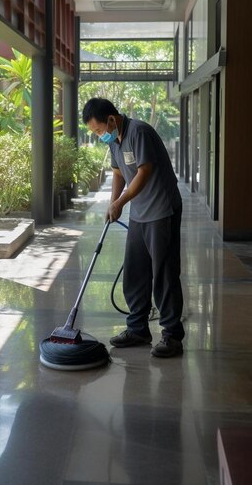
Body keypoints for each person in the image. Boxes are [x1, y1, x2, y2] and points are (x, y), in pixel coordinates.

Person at [82, 97, 185, 358]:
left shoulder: (139, 131)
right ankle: (138, 329)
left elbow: (144, 170)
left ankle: (172, 335)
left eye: (99, 130)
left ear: (112, 120)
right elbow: (118, 173)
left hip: (162, 210)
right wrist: (112, 203)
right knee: (135, 271)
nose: (99, 136)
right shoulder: (115, 142)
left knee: (163, 272)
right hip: (140, 213)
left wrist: (121, 202)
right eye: (94, 132)